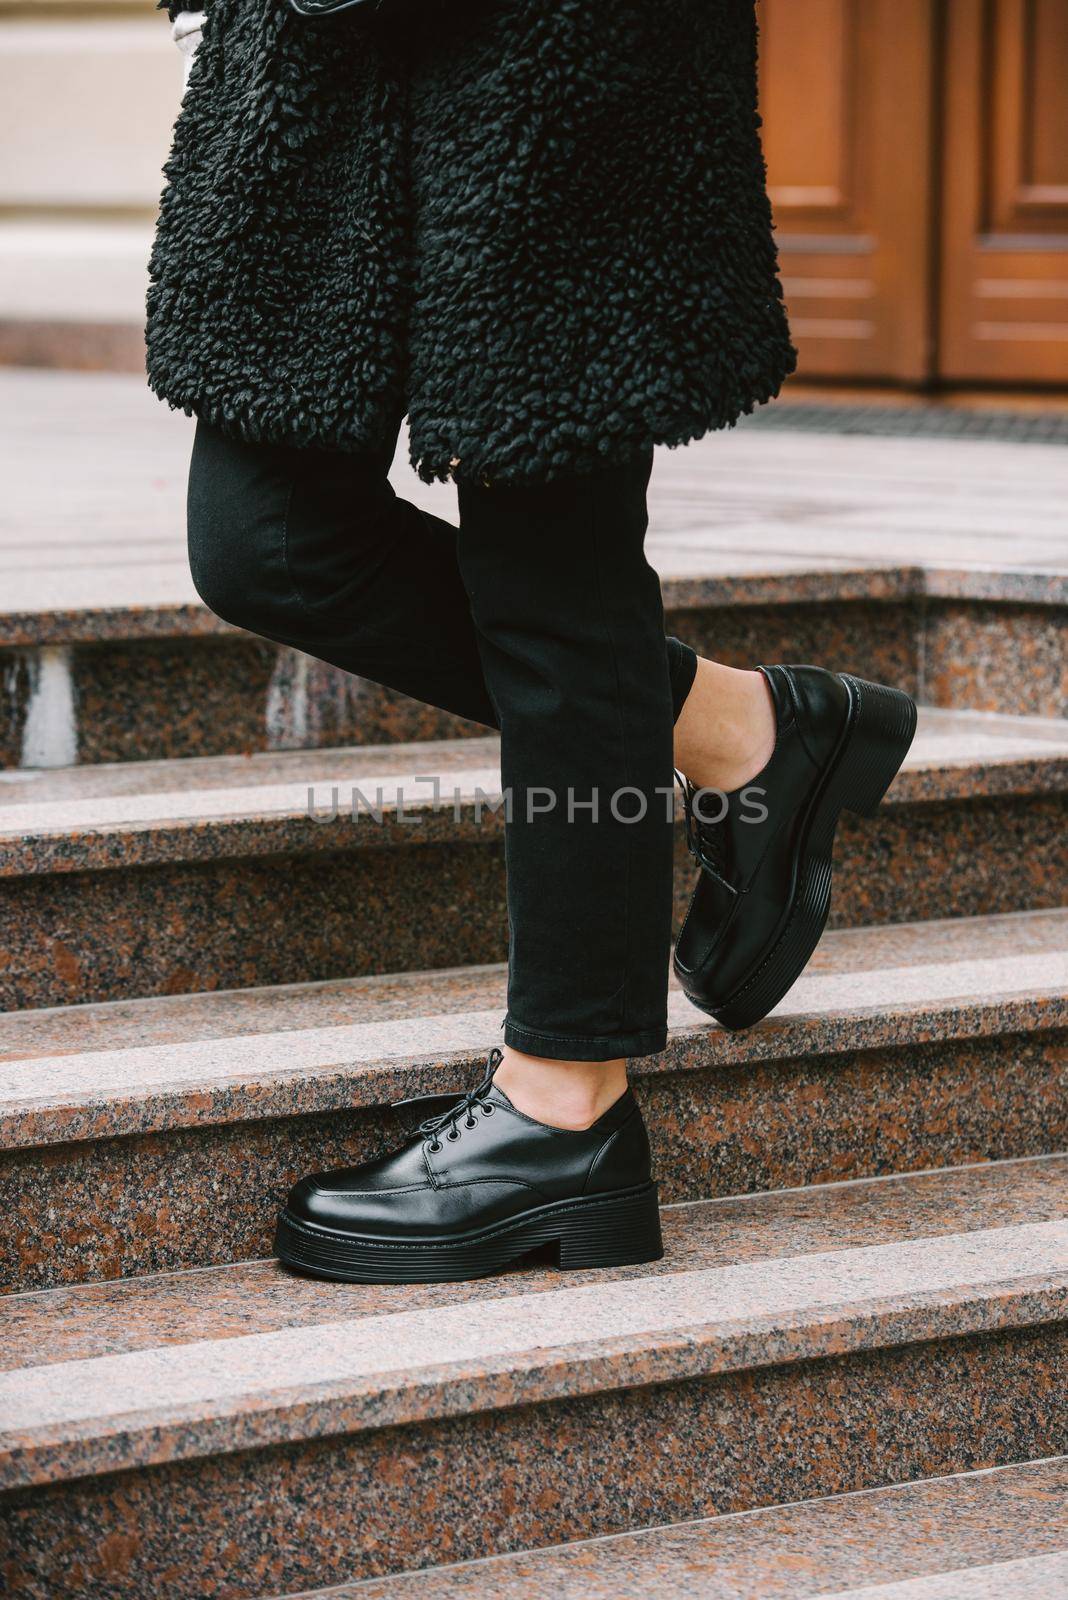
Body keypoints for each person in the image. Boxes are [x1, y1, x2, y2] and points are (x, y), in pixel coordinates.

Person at [150, 0, 916, 1284]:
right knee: (265, 538)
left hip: (559, 53)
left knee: (551, 556)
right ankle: (746, 731)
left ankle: (568, 1100)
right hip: (326, 60)